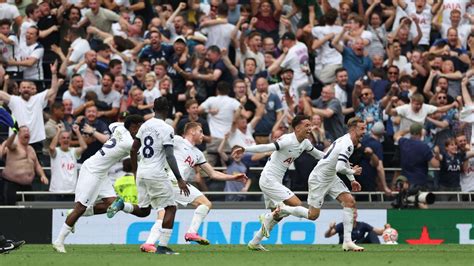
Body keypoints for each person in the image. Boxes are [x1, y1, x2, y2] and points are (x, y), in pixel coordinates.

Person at [110, 121, 247, 252]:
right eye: (200, 131)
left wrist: (233, 177)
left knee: (179, 209)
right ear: (192, 132)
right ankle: (184, 235)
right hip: (170, 180)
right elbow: (156, 139)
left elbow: (212, 173)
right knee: (190, 206)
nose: (203, 135)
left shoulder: (198, 154)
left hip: (175, 183)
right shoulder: (177, 140)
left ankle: (151, 242)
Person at [232, 115, 326, 251]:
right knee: (297, 204)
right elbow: (266, 147)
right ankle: (268, 217)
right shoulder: (287, 140)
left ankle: (255, 242)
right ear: (297, 128)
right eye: (307, 126)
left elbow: (319, 155)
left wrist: (339, 158)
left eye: (310, 125)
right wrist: (245, 149)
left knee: (277, 216)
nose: (310, 128)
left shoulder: (305, 143)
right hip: (269, 179)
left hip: (276, 180)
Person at [52, 115, 145, 253]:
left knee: (112, 204)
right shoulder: (129, 143)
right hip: (92, 170)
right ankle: (59, 241)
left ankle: (74, 214)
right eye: (139, 126)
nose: (140, 129)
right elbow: (138, 153)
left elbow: (113, 124)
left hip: (102, 172)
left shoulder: (119, 128)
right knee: (80, 208)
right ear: (133, 126)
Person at [129, 97, 189, 255]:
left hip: (141, 172)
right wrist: (180, 179)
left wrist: (135, 171)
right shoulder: (167, 128)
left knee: (144, 210)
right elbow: (170, 156)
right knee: (171, 207)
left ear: (153, 108)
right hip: (156, 173)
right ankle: (162, 246)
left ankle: (122, 205)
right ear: (167, 109)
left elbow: (133, 150)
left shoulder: (145, 125)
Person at [307, 117, 365, 251]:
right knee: (313, 215)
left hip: (330, 177)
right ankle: (284, 209)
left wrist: (352, 180)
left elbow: (342, 162)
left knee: (350, 202)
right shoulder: (348, 144)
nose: (364, 132)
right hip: (319, 179)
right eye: (361, 129)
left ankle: (348, 242)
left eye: (364, 128)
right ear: (352, 129)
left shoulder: (346, 140)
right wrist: (353, 171)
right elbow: (340, 167)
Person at [0, 126, 49, 205]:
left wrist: (42, 175)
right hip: (12, 184)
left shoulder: (31, 149)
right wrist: (14, 133)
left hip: (27, 186)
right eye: (24, 131)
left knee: (29, 209)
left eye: (28, 131)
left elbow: (37, 165)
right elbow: (8, 144)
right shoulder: (15, 146)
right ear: (19, 134)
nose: (27, 133)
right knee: (10, 210)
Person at [48, 124, 87, 200]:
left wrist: (77, 132)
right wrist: (58, 132)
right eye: (63, 138)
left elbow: (84, 147)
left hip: (72, 192)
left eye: (68, 138)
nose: (66, 140)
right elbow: (51, 147)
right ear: (59, 140)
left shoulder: (74, 151)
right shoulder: (56, 151)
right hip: (56, 191)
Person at [324, 209, 390, 244]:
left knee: (372, 233)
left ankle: (377, 250)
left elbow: (379, 232)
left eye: (355, 213)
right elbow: (327, 235)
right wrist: (330, 228)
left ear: (357, 215)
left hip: (360, 245)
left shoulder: (362, 225)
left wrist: (386, 228)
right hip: (346, 246)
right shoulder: (342, 225)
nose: (353, 215)